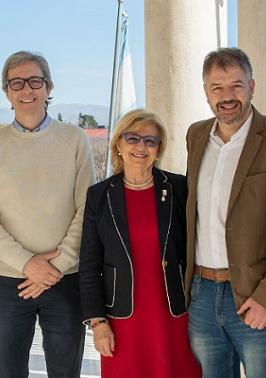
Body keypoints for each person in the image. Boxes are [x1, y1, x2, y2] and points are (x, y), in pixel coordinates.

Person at [0, 50, 95, 377]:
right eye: (17, 83)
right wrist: (28, 264)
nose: (26, 90)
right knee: (9, 372)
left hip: (65, 279)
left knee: (65, 372)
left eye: (35, 81)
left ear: (48, 87)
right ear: (7, 92)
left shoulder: (74, 140)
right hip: (7, 281)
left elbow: (87, 208)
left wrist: (54, 267)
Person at [184, 47, 266, 378]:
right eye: (217, 87)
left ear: (252, 86)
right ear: (205, 92)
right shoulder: (196, 136)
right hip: (202, 294)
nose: (227, 96)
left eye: (236, 85)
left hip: (253, 295)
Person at [79, 109, 202, 377]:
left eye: (150, 140)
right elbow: (89, 264)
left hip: (174, 314)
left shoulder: (179, 189)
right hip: (122, 319)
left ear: (159, 149)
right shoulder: (99, 196)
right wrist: (98, 322)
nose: (141, 146)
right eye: (132, 138)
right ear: (119, 145)